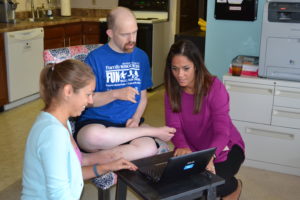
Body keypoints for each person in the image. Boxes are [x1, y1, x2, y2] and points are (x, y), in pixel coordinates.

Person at [21, 60, 138, 200]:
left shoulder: (60, 122)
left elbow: (72, 173)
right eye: (88, 94)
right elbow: (59, 196)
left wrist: (107, 167)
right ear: (68, 91)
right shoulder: (53, 134)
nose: (90, 101)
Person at [74, 6, 175, 161]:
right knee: (91, 137)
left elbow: (143, 97)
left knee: (148, 148)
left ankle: (89, 160)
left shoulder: (141, 57)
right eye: (125, 34)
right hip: (97, 124)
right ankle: (149, 132)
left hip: (128, 126)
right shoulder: (94, 59)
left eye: (134, 32)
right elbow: (85, 101)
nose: (132, 39)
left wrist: (136, 119)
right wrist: (114, 94)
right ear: (110, 33)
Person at [164, 40, 245, 200]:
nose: (180, 75)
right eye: (175, 68)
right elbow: (174, 127)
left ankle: (234, 186)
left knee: (204, 187)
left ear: (196, 65)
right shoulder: (171, 91)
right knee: (181, 188)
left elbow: (222, 130)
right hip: (194, 149)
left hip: (225, 149)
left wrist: (209, 156)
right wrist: (182, 146)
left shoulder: (215, 87)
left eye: (186, 68)